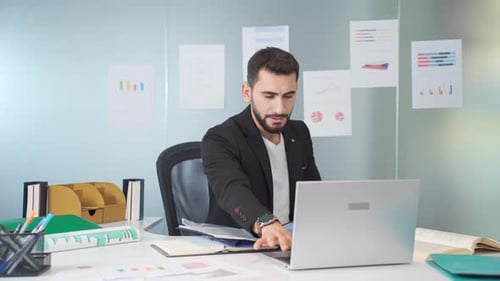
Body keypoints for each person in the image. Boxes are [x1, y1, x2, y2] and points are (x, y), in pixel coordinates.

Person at [200, 47, 321, 251]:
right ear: (247, 92)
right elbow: (233, 191)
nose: (280, 109)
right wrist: (267, 222)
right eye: (269, 96)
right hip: (238, 249)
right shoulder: (220, 138)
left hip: (290, 246)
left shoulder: (299, 133)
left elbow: (314, 194)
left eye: (288, 96)